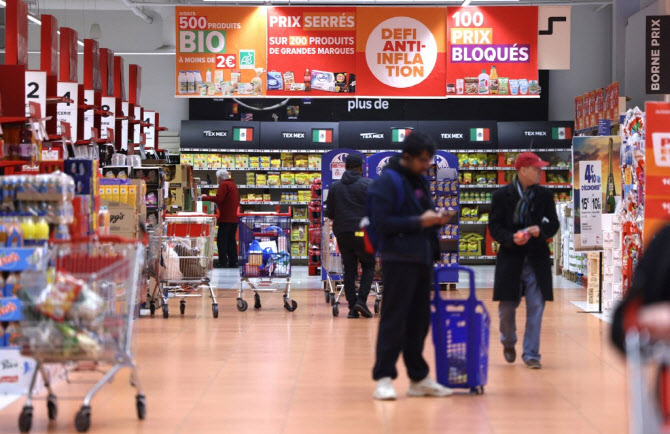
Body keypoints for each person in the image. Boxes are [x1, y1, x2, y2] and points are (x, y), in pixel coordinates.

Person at [368, 132, 454, 400]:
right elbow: (380, 222)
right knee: (394, 319)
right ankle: (384, 377)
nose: (427, 164)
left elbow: (423, 214)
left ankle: (418, 378)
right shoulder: (387, 182)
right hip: (398, 259)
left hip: (422, 258)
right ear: (407, 156)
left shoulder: (420, 180)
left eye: (429, 160)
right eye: (423, 160)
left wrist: (437, 219)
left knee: (419, 321)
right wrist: (420, 222)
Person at [488, 152, 559, 370]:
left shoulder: (545, 195)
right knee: (506, 309)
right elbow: (495, 227)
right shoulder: (501, 196)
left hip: (536, 258)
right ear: (522, 170)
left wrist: (541, 230)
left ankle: (531, 354)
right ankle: (508, 342)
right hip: (511, 258)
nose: (540, 172)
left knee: (536, 306)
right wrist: (511, 238)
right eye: (536, 168)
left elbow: (553, 223)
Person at [325, 154, 375, 319]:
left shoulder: (335, 187)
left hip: (343, 233)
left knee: (349, 270)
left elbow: (330, 213)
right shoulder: (369, 185)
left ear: (345, 167)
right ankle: (361, 300)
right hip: (363, 233)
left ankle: (353, 308)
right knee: (368, 265)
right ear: (361, 168)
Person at [201, 169, 240, 269]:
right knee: (231, 241)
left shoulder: (224, 185)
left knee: (222, 241)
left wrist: (205, 197)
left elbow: (219, 199)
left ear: (219, 178)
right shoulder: (233, 185)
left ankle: (223, 262)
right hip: (233, 218)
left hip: (225, 218)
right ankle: (233, 262)